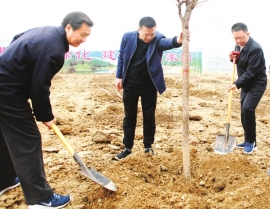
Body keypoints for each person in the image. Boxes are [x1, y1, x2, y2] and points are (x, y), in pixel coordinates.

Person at [0, 12, 93, 208]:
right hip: (7, 93)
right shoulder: (54, 50)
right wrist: (46, 116)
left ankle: (5, 179)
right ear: (69, 27)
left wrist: (12, 64)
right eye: (82, 35)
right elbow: (39, 86)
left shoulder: (45, 32)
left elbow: (17, 38)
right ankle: (40, 199)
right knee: (28, 140)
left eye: (87, 36)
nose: (83, 40)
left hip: (3, 84)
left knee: (5, 134)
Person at [114, 16, 188, 160]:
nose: (149, 37)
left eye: (152, 34)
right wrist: (119, 77)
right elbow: (122, 56)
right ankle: (127, 148)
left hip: (149, 85)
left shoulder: (157, 39)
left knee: (149, 116)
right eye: (146, 34)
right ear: (138, 30)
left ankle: (148, 146)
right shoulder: (128, 37)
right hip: (130, 84)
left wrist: (178, 40)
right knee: (129, 116)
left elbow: (167, 43)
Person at [228, 23, 267, 154]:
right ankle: (247, 139)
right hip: (245, 84)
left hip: (257, 83)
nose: (238, 41)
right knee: (244, 112)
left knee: (248, 108)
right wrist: (232, 58)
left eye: (241, 37)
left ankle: (252, 142)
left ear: (248, 34)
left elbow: (251, 71)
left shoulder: (255, 49)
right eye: (235, 38)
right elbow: (239, 61)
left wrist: (236, 83)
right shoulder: (237, 46)